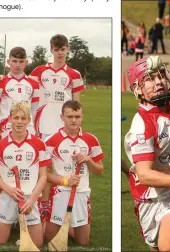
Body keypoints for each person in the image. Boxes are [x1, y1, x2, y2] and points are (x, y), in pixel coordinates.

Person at [124, 55, 170, 251]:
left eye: (161, 75)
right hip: (151, 197)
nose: (158, 82)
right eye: (149, 79)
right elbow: (145, 174)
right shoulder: (143, 124)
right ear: (138, 89)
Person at [29, 34, 84, 221]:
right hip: (43, 127)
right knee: (44, 168)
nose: (59, 53)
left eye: (63, 49)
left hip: (64, 129)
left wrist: (76, 128)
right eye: (56, 49)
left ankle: (63, 204)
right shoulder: (38, 72)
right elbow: (26, 90)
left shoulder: (74, 74)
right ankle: (44, 204)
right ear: (51, 49)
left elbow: (77, 105)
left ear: (68, 49)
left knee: (63, 167)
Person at [42, 100, 105, 246]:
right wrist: (65, 181)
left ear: (82, 117)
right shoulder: (51, 141)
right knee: (48, 239)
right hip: (60, 193)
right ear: (62, 117)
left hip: (81, 194)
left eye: (77, 116)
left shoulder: (91, 140)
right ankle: (46, 223)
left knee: (83, 242)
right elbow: (44, 175)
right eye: (69, 116)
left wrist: (88, 160)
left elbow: (99, 171)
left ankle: (68, 225)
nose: (73, 120)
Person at [0, 102, 50, 248]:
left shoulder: (39, 144)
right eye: (16, 118)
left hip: (30, 198)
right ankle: (15, 223)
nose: (19, 122)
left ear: (29, 120)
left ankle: (28, 227)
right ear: (9, 119)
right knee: (0, 241)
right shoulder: (0, 145)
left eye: (23, 118)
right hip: (8, 197)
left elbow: (43, 177)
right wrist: (8, 190)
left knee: (38, 244)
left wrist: (33, 199)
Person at [0, 47, 40, 140]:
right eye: (14, 61)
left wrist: (30, 125)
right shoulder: (0, 82)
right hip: (7, 129)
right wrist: (2, 125)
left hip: (28, 129)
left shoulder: (34, 84)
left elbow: (34, 110)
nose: (17, 65)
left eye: (21, 61)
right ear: (8, 61)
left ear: (26, 62)